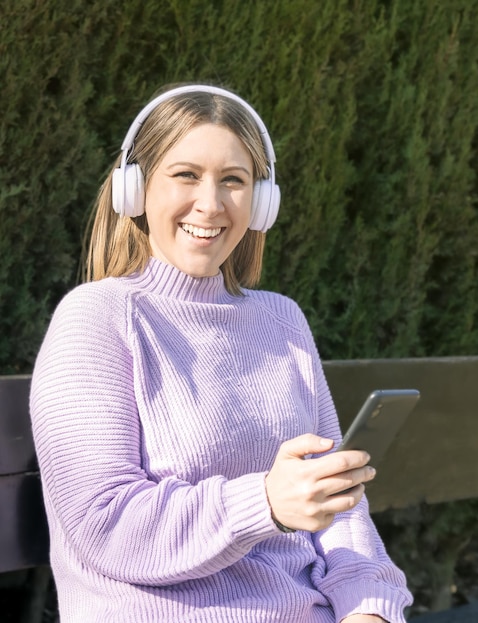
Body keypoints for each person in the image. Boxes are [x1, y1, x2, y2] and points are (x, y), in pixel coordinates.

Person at [29, 83, 413, 623]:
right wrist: (266, 504)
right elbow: (103, 526)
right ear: (135, 190)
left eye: (233, 181)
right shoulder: (98, 317)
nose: (210, 204)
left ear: (260, 202)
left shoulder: (282, 321)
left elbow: (339, 506)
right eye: (185, 175)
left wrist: (369, 608)